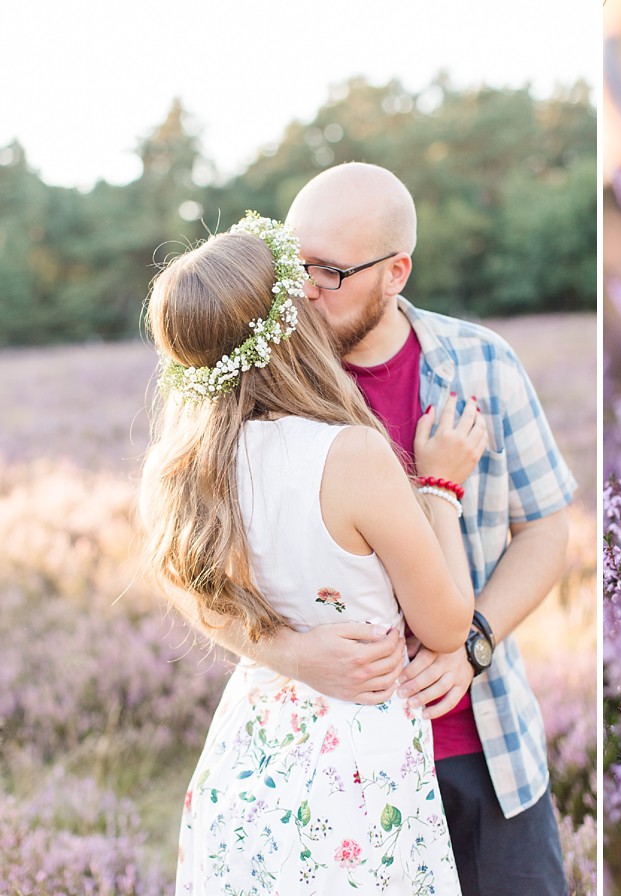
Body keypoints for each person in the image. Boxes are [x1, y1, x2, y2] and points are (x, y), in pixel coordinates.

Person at [176, 164, 578, 896]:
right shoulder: (262, 389)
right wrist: (293, 653)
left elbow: (547, 529)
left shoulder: (482, 365)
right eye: (294, 265)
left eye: (329, 271)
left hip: (483, 745)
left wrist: (474, 643)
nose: (303, 290)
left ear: (396, 272)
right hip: (335, 772)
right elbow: (194, 582)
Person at [139, 212, 485, 894]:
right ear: (292, 325)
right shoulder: (348, 455)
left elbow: (192, 595)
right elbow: (446, 625)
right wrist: (442, 486)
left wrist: (289, 653)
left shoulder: (176, 469)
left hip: (245, 765)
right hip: (352, 779)